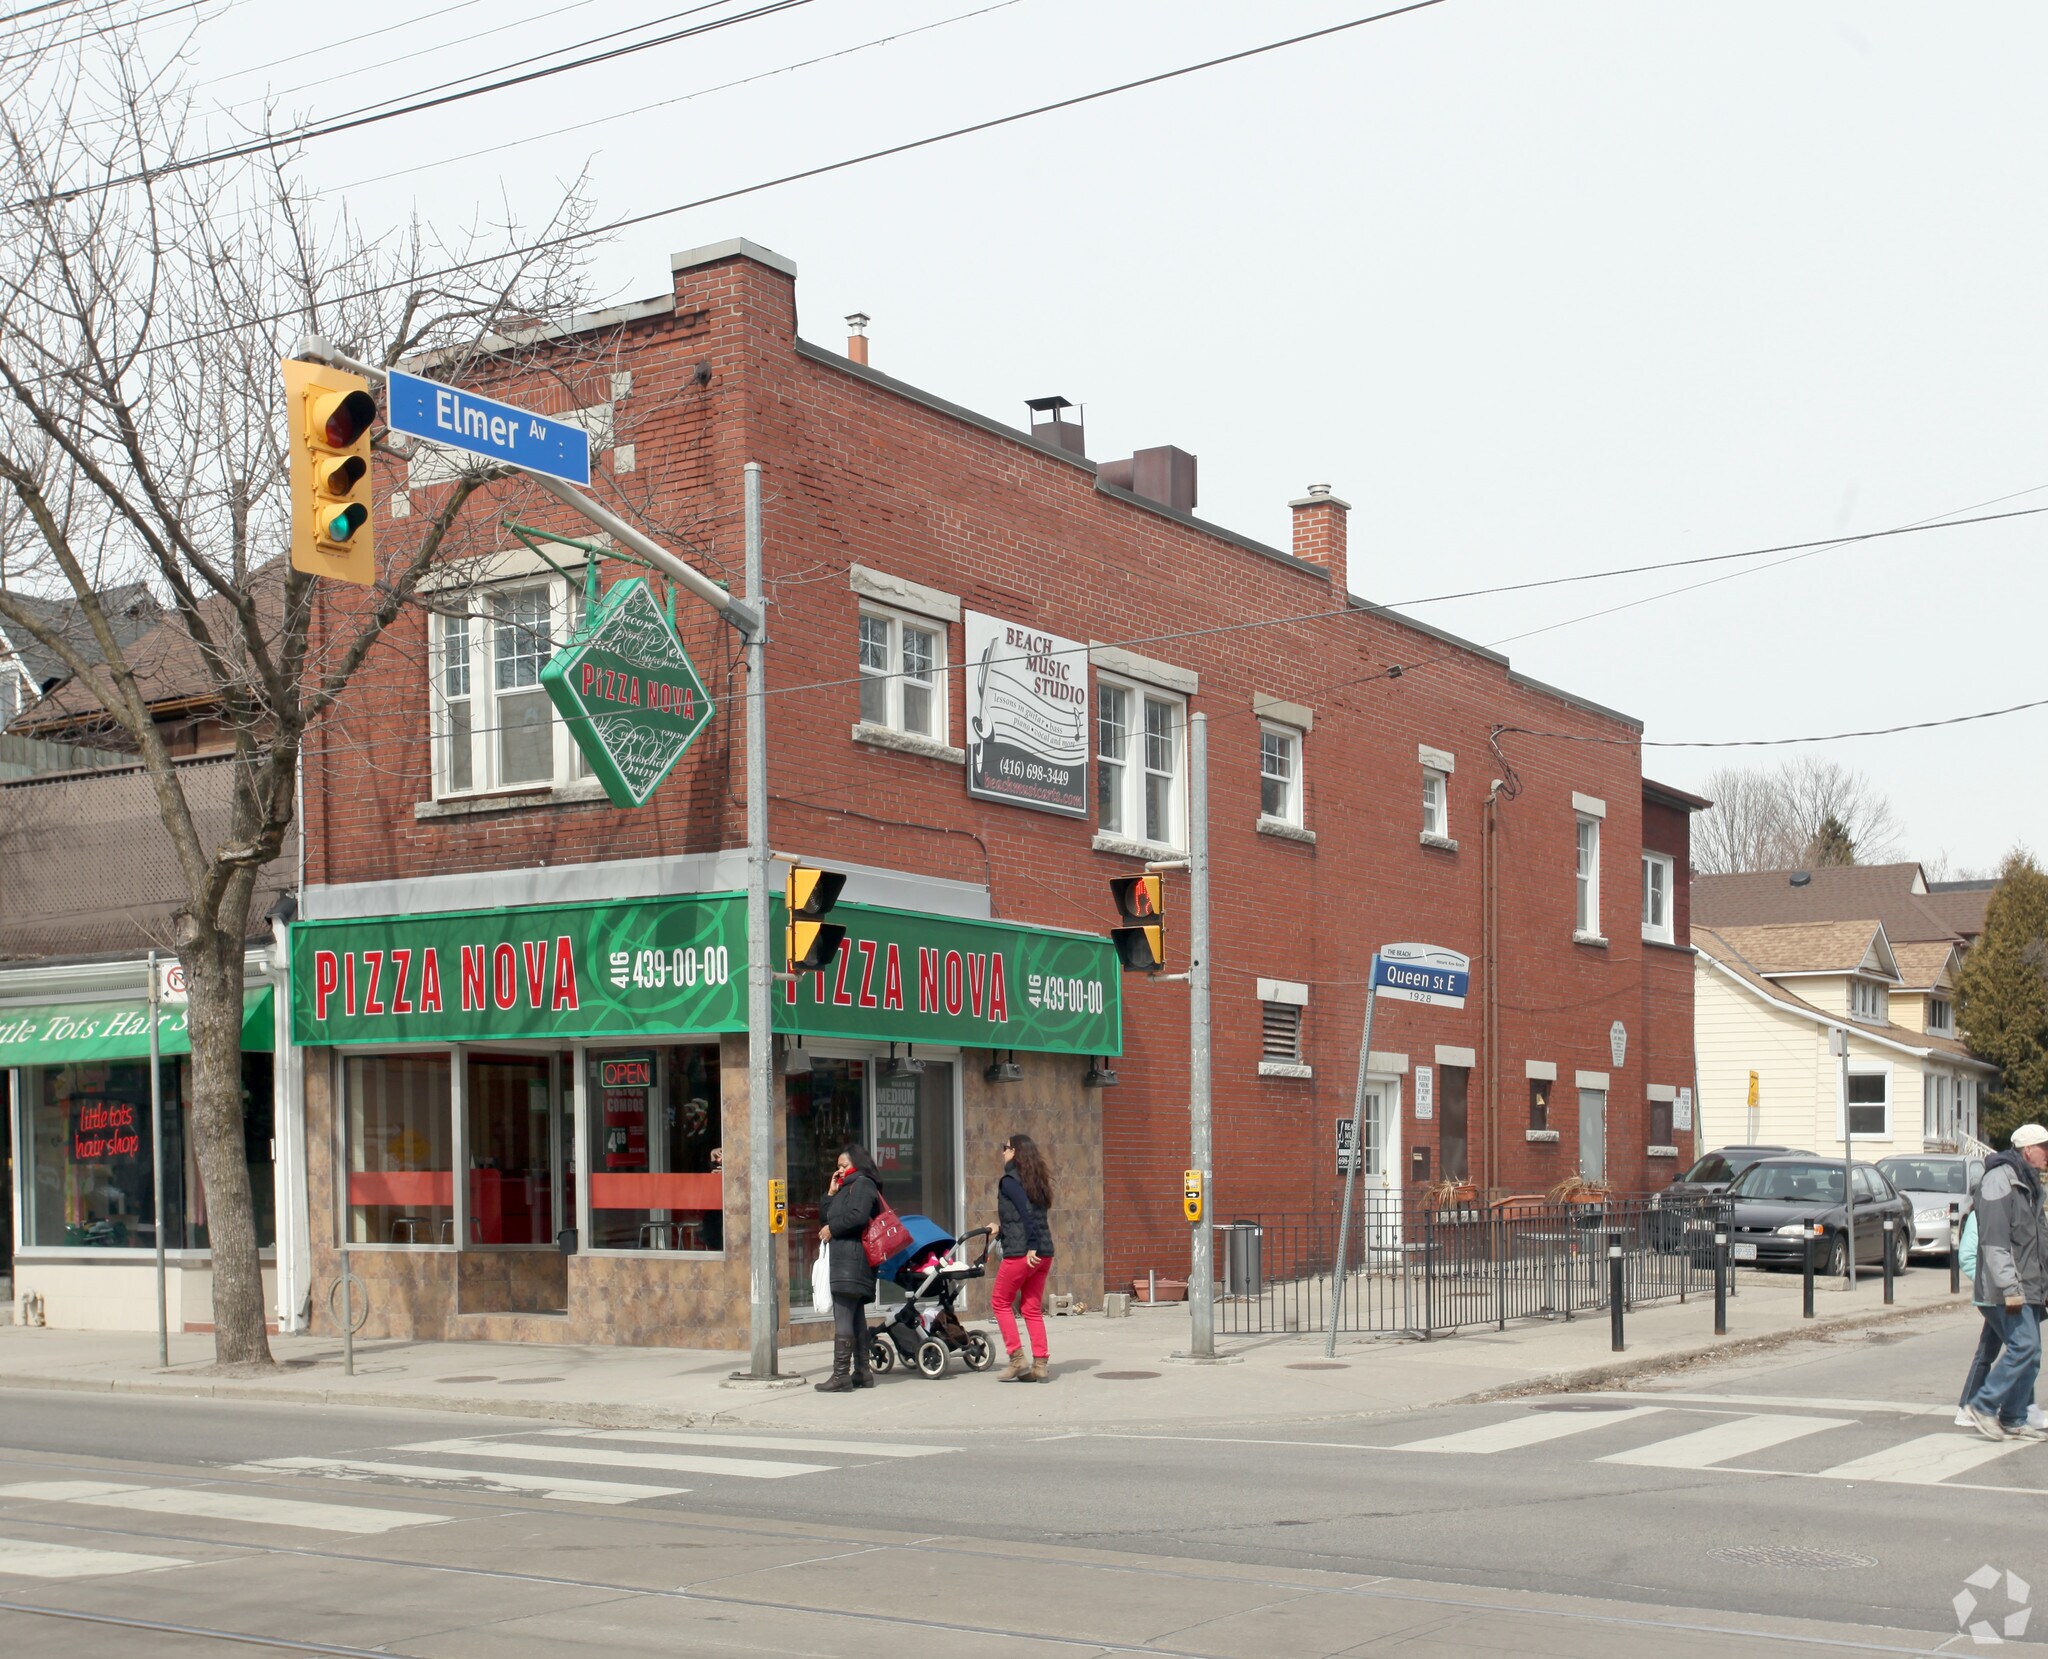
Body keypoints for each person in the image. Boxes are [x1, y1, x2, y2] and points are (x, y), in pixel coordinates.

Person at [1964, 1122, 2048, 1441]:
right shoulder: (1999, 1180)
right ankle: (1982, 1405)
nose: (2047, 1154)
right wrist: (2011, 1289)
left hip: (2029, 1286)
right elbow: (1994, 1242)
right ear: (2028, 1150)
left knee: (2031, 1354)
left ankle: (2013, 1417)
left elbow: (2040, 1241)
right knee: (2023, 1346)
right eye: (2044, 1148)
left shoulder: (2031, 1184)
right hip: (2005, 1290)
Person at [814, 1143, 884, 1393]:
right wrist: (830, 1194)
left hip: (852, 1262)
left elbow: (858, 1216)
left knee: (843, 1316)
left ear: (858, 1163)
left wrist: (832, 1229)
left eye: (844, 1165)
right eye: (838, 1167)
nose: (840, 1171)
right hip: (846, 1261)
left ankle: (841, 1375)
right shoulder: (846, 1188)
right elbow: (826, 1218)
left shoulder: (863, 1184)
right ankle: (862, 1372)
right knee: (855, 1317)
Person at [992, 1132, 1055, 1383]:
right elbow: (1024, 1217)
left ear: (1015, 1152)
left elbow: (1026, 1214)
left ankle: (1017, 1359)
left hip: (1024, 1252)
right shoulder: (1036, 1180)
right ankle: (1040, 1363)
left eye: (1005, 1147)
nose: (1003, 1152)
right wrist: (1000, 1229)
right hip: (1044, 1252)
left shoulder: (1010, 1181)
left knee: (1000, 1301)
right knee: (1031, 1308)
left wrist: (1030, 1246)